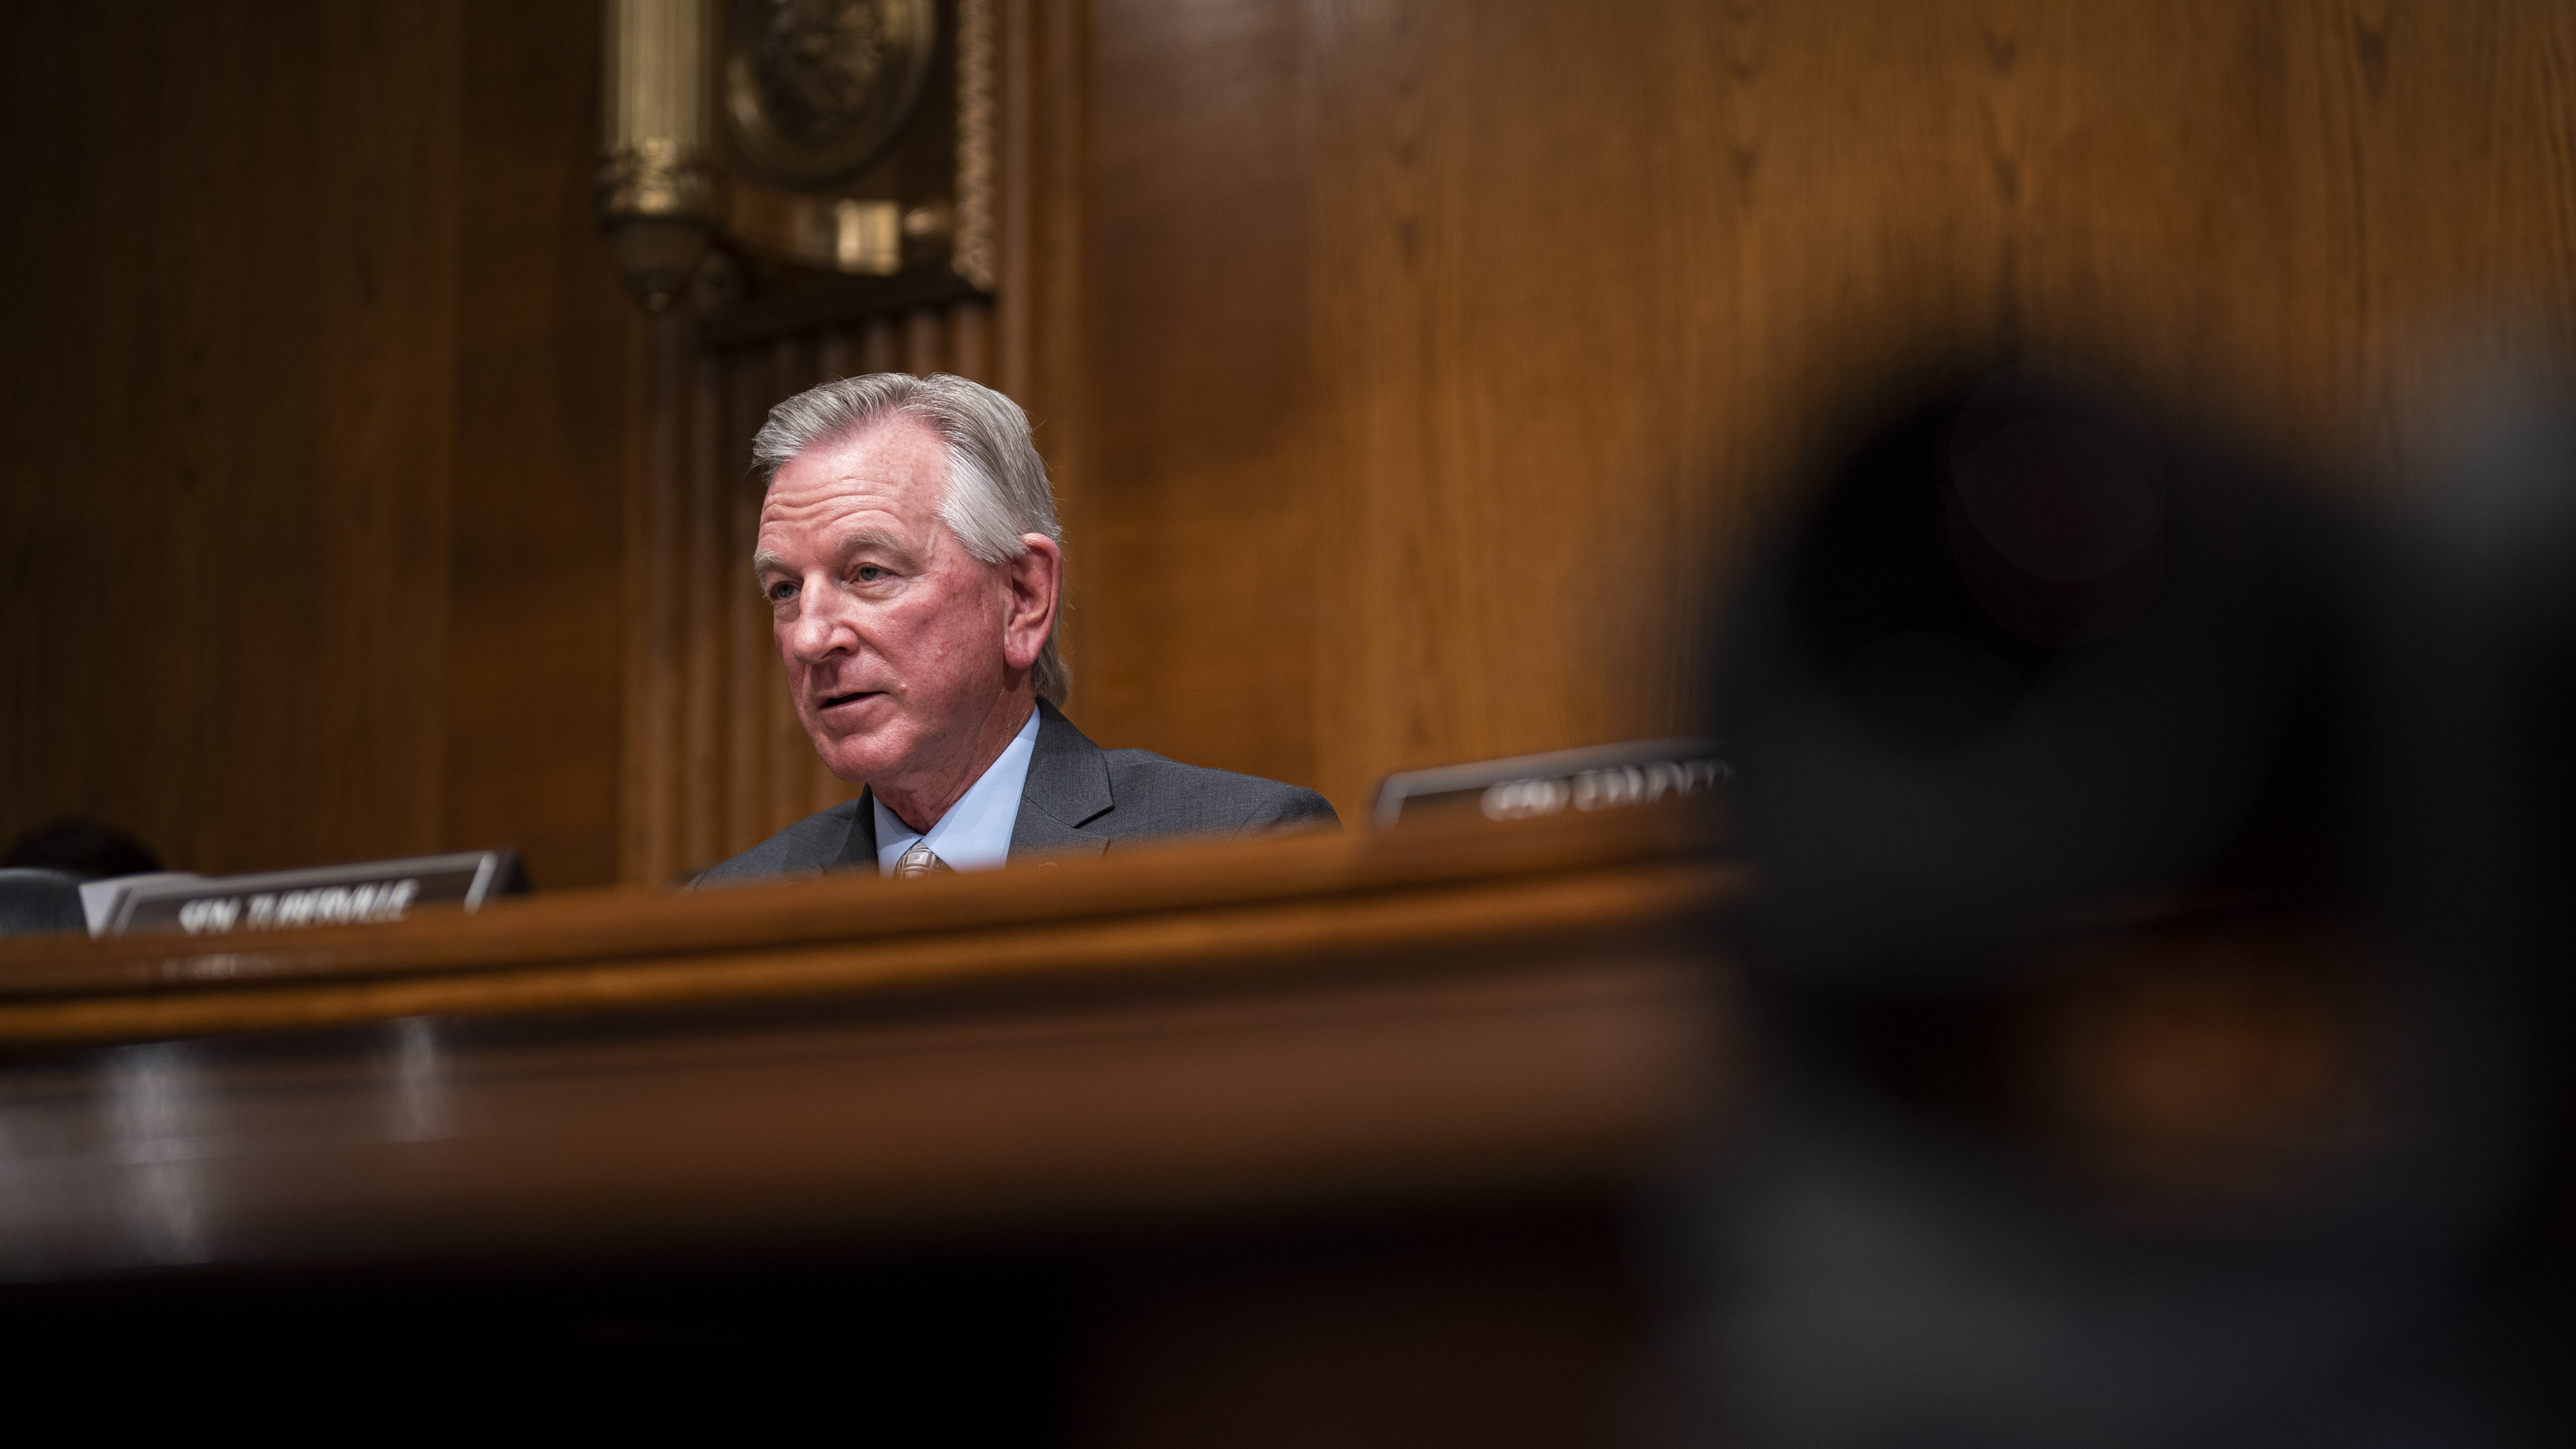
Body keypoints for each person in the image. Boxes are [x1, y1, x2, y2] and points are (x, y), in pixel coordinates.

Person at [698, 373, 1335, 885]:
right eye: (785, 590)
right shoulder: (729, 910)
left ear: (1024, 597)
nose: (811, 638)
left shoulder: (1234, 853)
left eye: (867, 573)